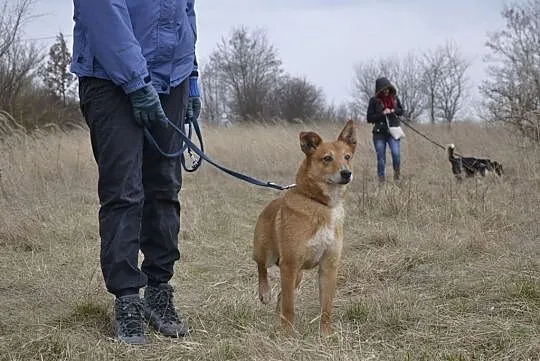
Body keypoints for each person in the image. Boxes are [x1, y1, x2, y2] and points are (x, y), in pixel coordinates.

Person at [71, 0, 200, 345]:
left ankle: (159, 291)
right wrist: (135, 81)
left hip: (173, 79)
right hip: (110, 77)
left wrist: (193, 76)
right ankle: (127, 299)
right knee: (124, 191)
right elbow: (100, 10)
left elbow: (183, 12)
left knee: (165, 188)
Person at [366, 77, 404, 182]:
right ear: (379, 90)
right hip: (379, 134)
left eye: (388, 89)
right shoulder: (373, 101)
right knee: (381, 158)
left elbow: (401, 111)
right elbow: (369, 118)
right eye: (384, 89)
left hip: (393, 132)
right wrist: (382, 114)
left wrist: (393, 110)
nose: (386, 91)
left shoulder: (395, 98)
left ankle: (397, 178)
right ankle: (381, 180)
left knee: (396, 155)